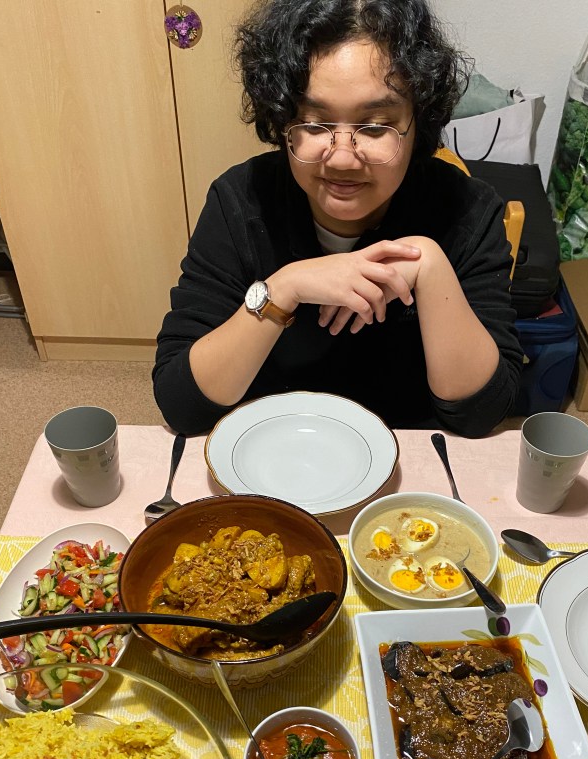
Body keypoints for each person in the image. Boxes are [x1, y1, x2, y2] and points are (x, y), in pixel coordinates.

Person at [153, 0, 523, 438]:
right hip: (277, 443)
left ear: (418, 123)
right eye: (314, 124)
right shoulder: (241, 200)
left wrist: (428, 264)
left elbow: (481, 414)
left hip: (406, 450)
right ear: (283, 120)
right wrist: (285, 288)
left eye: (376, 125)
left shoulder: (467, 209)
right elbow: (182, 405)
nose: (343, 158)